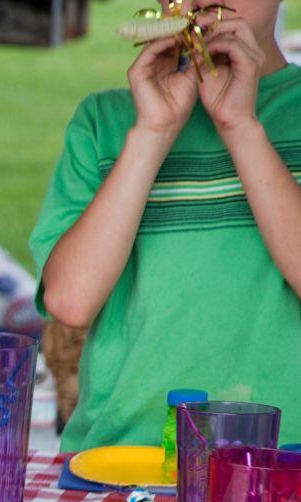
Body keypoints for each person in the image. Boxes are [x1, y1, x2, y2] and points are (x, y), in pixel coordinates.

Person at [31, 0, 301, 450]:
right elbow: (71, 301)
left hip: (284, 458)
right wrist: (153, 132)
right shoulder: (104, 124)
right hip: (123, 455)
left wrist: (241, 126)